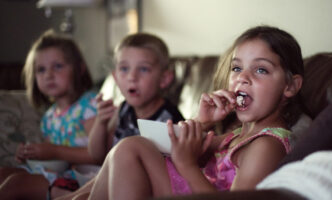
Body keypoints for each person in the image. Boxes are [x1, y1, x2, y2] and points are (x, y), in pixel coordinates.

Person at [87, 25, 304, 200]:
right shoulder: (238, 136)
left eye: (261, 70)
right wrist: (203, 121)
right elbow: (171, 144)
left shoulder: (267, 145)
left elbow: (183, 158)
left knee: (130, 148)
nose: (242, 78)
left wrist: (187, 165)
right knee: (130, 147)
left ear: (290, 86)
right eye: (237, 68)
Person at [56, 32, 185, 200]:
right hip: (114, 177)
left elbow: (174, 171)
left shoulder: (169, 118)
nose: (132, 77)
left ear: (164, 78)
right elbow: (97, 155)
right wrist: (101, 124)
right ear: (115, 77)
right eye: (124, 69)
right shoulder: (123, 109)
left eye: (144, 69)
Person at [0, 30, 98, 199]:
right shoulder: (49, 117)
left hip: (81, 178)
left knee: (13, 185)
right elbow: (51, 160)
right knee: (3, 173)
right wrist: (31, 155)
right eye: (41, 69)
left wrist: (53, 151)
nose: (48, 75)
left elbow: (97, 155)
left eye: (58, 66)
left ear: (79, 69)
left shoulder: (90, 105)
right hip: (54, 174)